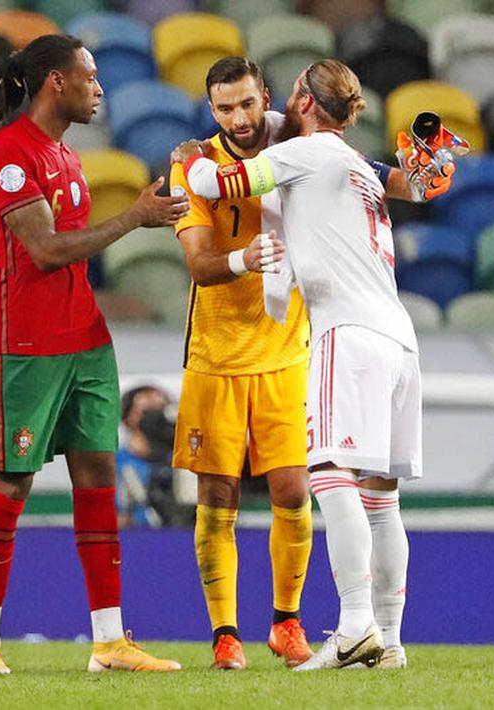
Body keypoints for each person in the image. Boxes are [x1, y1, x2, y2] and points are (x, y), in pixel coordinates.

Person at [177, 58, 429, 671]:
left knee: (327, 476)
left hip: (346, 334)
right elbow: (413, 186)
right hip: (399, 337)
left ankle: (352, 626)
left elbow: (217, 184)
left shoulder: (310, 152)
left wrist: (188, 158)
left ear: (299, 101)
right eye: (223, 108)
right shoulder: (351, 166)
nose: (242, 117)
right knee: (381, 497)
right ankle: (389, 641)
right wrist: (429, 171)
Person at [0, 33, 189, 676]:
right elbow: (47, 251)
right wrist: (134, 218)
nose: (100, 88)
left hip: (85, 339)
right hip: (23, 343)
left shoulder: (66, 155)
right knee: (13, 481)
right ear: (57, 82)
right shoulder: (9, 155)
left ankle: (110, 641)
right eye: (90, 76)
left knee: (98, 476)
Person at [115, 385, 187, 528]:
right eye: (146, 413)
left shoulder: (183, 462)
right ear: (127, 418)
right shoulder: (114, 463)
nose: (156, 422)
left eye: (161, 412)